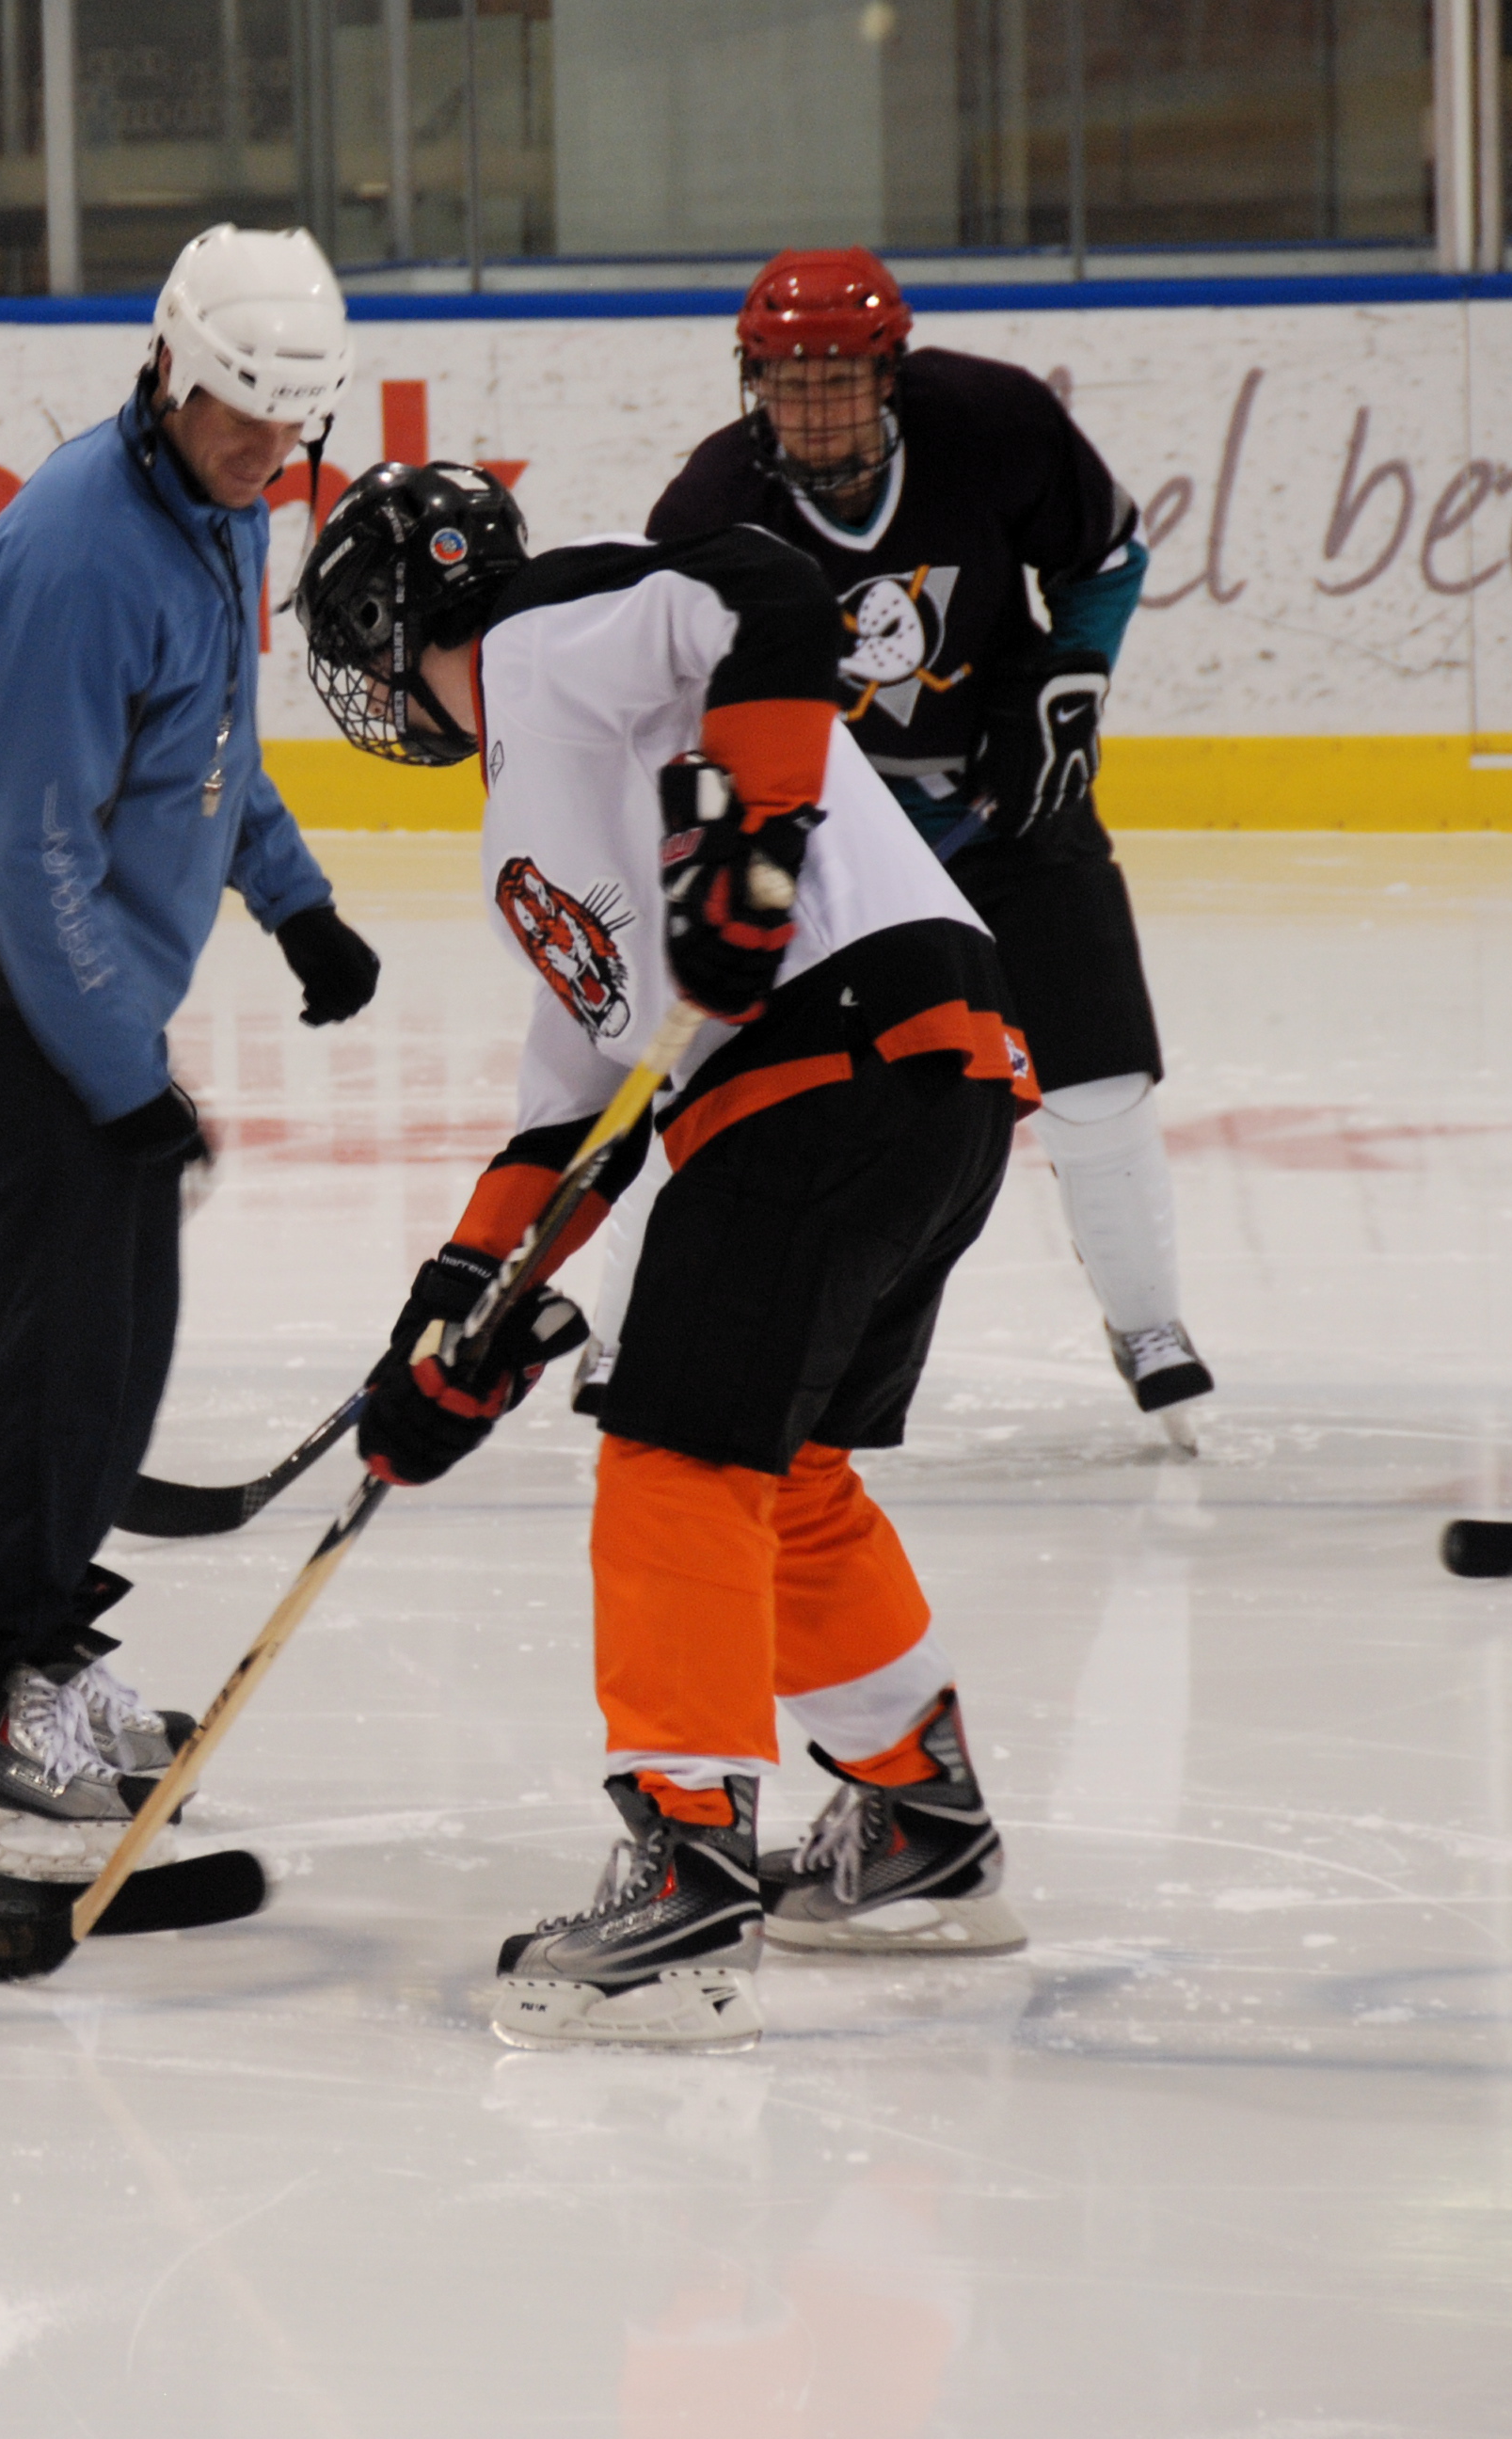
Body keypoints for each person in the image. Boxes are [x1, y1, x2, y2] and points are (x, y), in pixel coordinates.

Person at [297, 461, 1034, 2050]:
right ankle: (916, 1823)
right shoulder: (541, 797)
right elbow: (575, 1110)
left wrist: (755, 848)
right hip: (932, 1080)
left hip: (827, 1067)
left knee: (675, 1455)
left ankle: (687, 1876)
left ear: (383, 625)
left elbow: (770, 589)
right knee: (788, 1475)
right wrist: (450, 1323)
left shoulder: (542, 634)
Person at [0, 221, 385, 1875]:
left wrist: (294, 902)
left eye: (292, 419)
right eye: (239, 407)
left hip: (82, 1002)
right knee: (39, 1356)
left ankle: (49, 1646)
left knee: (110, 1347)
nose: (265, 445)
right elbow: (33, 855)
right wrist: (119, 1079)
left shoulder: (215, 514)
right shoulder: (81, 554)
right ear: (169, 368)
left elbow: (211, 748)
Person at [603, 247, 1202, 1445]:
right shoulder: (711, 507)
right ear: (752, 384)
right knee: (704, 1085)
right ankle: (627, 1333)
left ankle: (1148, 1324)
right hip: (825, 843)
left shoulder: (992, 425)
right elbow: (665, 692)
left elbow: (1104, 559)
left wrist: (1069, 682)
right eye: (787, 383)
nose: (813, 410)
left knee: (1096, 1081)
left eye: (838, 380)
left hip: (1006, 802)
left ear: (890, 375)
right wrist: (722, 828)